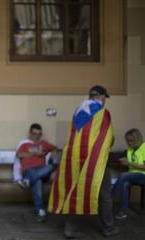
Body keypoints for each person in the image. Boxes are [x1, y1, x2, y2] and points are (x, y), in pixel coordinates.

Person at [48, 85, 119, 238]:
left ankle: (70, 229)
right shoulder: (103, 113)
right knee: (104, 194)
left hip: (75, 160)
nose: (105, 100)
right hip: (95, 161)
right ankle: (108, 227)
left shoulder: (78, 111)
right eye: (105, 97)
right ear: (100, 97)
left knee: (76, 190)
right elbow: (108, 138)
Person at [16, 123, 57, 222]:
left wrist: (53, 154)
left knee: (52, 166)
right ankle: (40, 211)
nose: (37, 136)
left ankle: (27, 181)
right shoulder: (24, 144)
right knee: (37, 181)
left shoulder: (44, 143)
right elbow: (19, 155)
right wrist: (34, 153)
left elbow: (55, 148)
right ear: (30, 133)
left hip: (42, 170)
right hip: (29, 170)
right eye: (34, 133)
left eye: (39, 134)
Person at [113, 128, 145, 220]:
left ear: (138, 138)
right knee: (125, 184)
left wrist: (129, 163)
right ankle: (123, 212)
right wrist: (124, 162)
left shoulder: (144, 147)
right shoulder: (129, 149)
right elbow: (130, 166)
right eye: (128, 141)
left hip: (143, 175)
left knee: (124, 175)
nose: (129, 143)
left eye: (132, 140)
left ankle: (109, 197)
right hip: (132, 176)